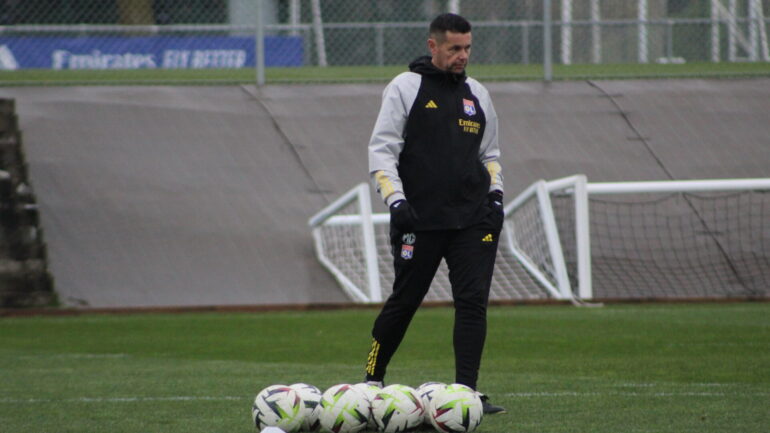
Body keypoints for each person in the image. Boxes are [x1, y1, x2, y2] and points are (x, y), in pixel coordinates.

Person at [364, 13, 505, 414]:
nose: (463, 56)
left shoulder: (477, 93)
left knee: (473, 301)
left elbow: (490, 155)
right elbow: (382, 152)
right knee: (406, 299)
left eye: (467, 48)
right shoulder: (405, 88)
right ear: (433, 46)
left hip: (473, 220)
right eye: (454, 48)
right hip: (419, 220)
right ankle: (372, 378)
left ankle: (467, 394)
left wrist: (495, 198)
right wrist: (396, 201)